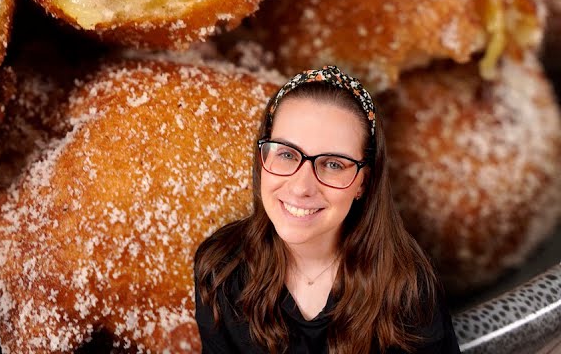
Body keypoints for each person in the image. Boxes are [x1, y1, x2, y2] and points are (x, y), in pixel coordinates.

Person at [193, 64, 460, 353]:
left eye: (333, 164)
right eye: (285, 154)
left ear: (363, 183)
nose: (301, 187)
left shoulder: (407, 288)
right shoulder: (220, 269)